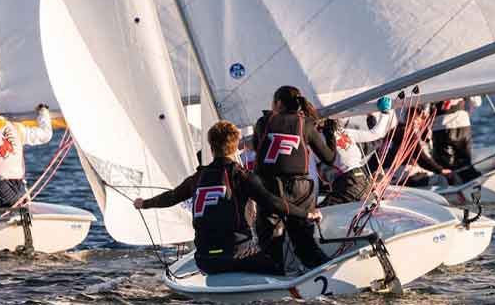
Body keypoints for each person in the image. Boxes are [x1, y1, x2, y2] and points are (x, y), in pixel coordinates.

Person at [133, 120, 321, 276]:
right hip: (238, 255)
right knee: (282, 266)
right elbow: (274, 203)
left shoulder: (197, 177)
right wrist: (306, 214)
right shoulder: (242, 176)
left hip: (205, 261)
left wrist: (144, 204)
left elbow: (171, 197)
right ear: (237, 145)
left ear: (211, 146)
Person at [252, 85, 335, 270]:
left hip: (270, 189)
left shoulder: (262, 122)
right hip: (301, 190)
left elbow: (258, 149)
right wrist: (330, 134)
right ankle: (328, 271)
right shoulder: (306, 124)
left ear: (279, 103)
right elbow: (329, 159)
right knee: (305, 245)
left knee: (270, 245)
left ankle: (274, 278)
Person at [319, 99, 396, 203]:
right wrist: (385, 113)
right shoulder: (346, 133)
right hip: (362, 181)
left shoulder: (317, 139)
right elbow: (376, 134)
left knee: (317, 215)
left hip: (347, 184)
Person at [431, 96, 482, 183]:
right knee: (465, 162)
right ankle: (475, 183)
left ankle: (452, 187)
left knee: (447, 166)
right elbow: (477, 102)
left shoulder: (432, 84)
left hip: (441, 127)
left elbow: (424, 108)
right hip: (463, 125)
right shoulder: (463, 81)